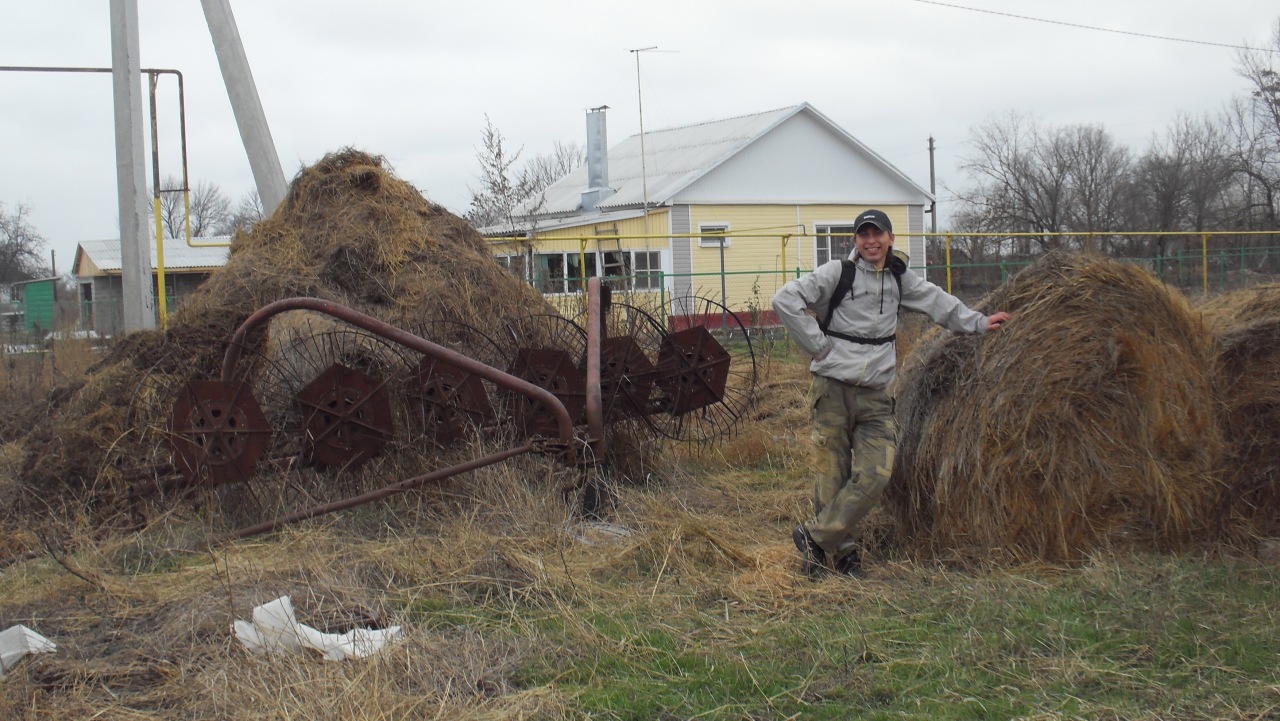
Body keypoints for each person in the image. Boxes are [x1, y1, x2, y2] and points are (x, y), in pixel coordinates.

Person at [772, 209, 1011, 578]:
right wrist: (818, 347)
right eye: (863, 235)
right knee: (831, 475)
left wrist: (980, 322)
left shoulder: (901, 280)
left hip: (876, 395)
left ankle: (815, 537)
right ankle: (839, 556)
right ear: (855, 240)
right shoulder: (837, 273)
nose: (870, 241)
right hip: (832, 389)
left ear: (890, 238)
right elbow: (784, 300)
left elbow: (938, 303)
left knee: (876, 473)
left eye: (877, 234)